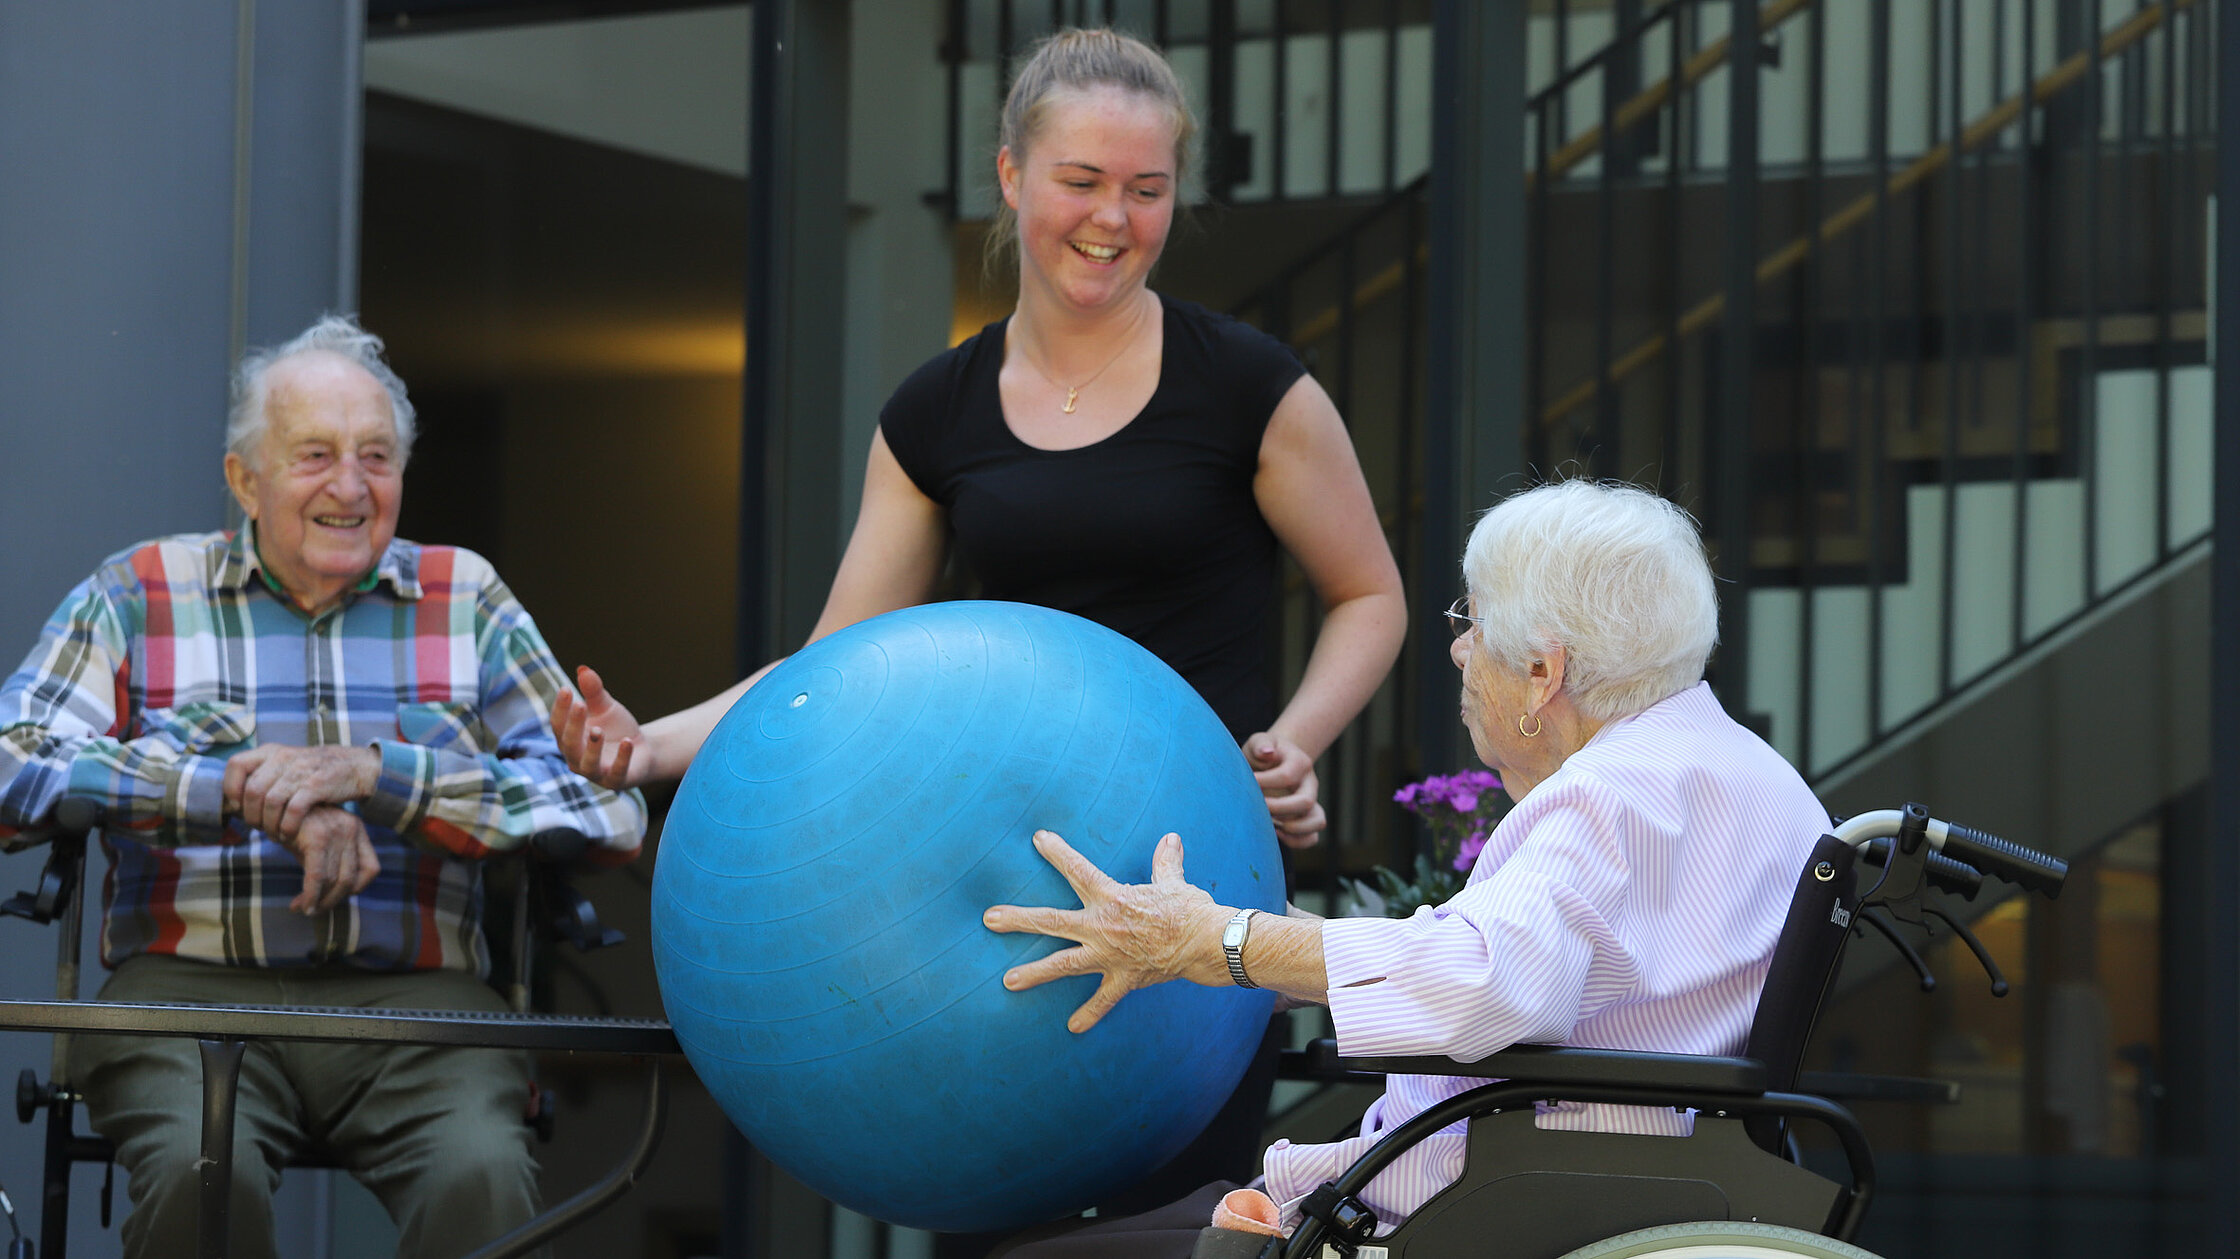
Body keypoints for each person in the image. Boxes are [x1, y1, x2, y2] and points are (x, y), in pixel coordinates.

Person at [551, 26, 1406, 851]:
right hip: (1013, 832)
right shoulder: (934, 411)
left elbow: (1370, 596)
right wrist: (651, 748)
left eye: (1147, 190)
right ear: (1010, 173)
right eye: (1082, 180)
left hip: (1201, 834)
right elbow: (834, 658)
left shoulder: (1250, 384)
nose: (1113, 217)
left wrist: (1291, 744)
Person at [977, 480, 1833, 1256]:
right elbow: (1562, 964)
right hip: (1638, 1180)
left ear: (1543, 672)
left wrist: (1222, 940)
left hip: (1497, 1199)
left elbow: (1481, 981)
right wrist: (1273, 956)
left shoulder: (1608, 797)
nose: (1459, 652)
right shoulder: (1759, 780)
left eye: (1473, 625)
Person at [0, 315, 647, 1259]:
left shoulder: (463, 596)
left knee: (481, 1173)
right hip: (187, 997)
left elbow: (608, 804)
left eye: (375, 456)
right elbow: (13, 761)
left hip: (424, 1006)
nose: (350, 486)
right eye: (314, 454)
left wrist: (384, 779)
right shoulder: (139, 589)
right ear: (243, 478)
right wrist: (226, 788)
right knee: (199, 1174)